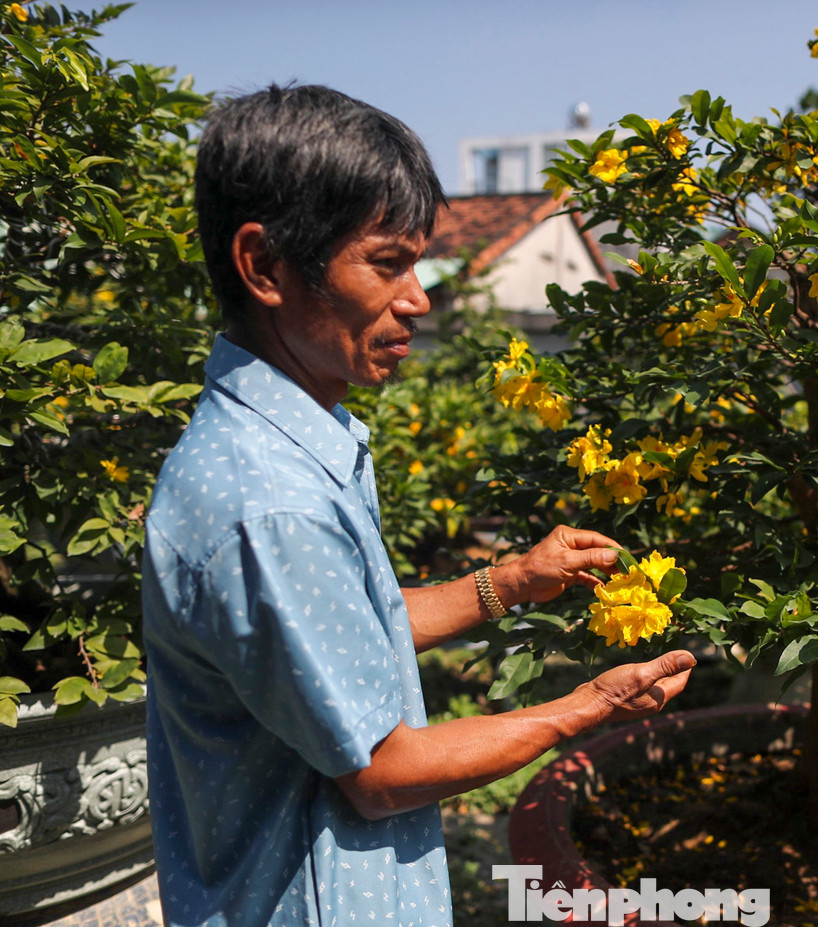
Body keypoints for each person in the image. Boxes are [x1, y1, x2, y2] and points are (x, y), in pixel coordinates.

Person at [142, 84, 696, 927]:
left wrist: (509, 582)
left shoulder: (291, 446)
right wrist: (590, 704)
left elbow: (336, 636)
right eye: (388, 262)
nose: (419, 298)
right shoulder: (271, 503)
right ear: (265, 267)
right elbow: (381, 771)